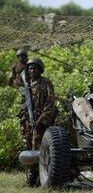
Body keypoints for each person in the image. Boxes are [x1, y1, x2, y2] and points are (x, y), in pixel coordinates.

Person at [20, 58, 57, 186]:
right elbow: (24, 105)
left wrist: (42, 120)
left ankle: (39, 178)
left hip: (42, 123)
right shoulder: (27, 85)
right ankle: (31, 178)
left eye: (34, 68)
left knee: (40, 149)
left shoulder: (46, 83)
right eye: (30, 68)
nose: (32, 70)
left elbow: (50, 103)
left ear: (40, 69)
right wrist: (24, 121)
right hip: (28, 122)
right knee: (29, 149)